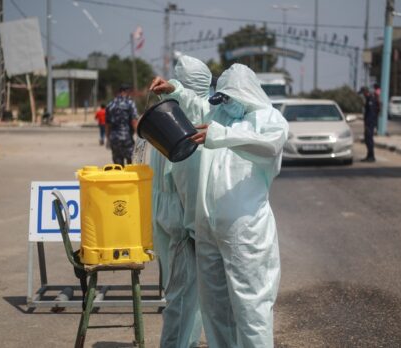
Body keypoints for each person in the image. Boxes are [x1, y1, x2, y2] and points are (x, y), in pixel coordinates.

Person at [169, 64, 288, 347]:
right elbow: (195, 106)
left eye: (228, 97)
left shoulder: (268, 119)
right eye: (220, 98)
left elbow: (269, 146)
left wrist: (223, 136)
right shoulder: (218, 116)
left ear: (244, 92)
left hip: (245, 232)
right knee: (215, 310)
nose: (225, 104)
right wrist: (175, 90)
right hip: (207, 228)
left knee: (251, 308)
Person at [147, 55, 211, 348]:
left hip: (164, 216)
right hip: (184, 223)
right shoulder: (187, 120)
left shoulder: (165, 117)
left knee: (177, 292)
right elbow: (190, 183)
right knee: (184, 297)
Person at [105, 84, 138, 166]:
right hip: (127, 139)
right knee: (131, 164)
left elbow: (107, 124)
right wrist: (138, 135)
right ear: (126, 92)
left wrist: (108, 138)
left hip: (114, 139)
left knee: (118, 166)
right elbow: (134, 121)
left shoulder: (110, 104)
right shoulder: (130, 103)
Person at [360, 87, 379, 162]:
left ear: (365, 92)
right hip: (368, 123)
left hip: (370, 123)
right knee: (367, 140)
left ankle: (371, 156)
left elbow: (371, 113)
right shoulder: (368, 99)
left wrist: (367, 124)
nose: (362, 95)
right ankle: (369, 156)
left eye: (362, 93)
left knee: (369, 140)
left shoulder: (370, 99)